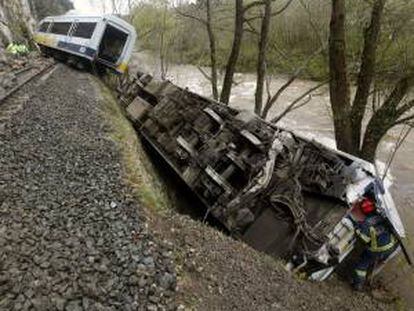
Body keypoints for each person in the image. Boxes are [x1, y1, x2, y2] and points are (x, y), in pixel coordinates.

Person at [348, 197, 398, 291]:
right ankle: (371, 274)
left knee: (361, 266)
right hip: (391, 246)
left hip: (377, 250)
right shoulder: (381, 216)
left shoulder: (366, 224)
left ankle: (358, 285)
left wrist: (357, 228)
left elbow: (363, 239)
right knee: (374, 259)